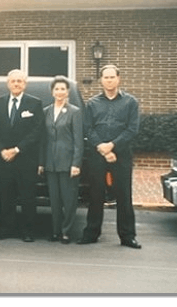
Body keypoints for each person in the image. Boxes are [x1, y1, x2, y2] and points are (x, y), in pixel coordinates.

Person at [79, 65, 141, 249]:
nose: (109, 80)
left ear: (118, 79)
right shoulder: (92, 103)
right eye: (106, 77)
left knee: (124, 195)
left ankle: (127, 236)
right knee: (96, 194)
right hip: (97, 154)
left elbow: (132, 129)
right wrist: (102, 148)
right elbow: (88, 129)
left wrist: (112, 146)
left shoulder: (130, 102)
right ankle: (91, 233)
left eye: (112, 77)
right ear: (101, 80)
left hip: (121, 154)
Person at [0, 69, 44, 242]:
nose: (16, 84)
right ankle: (5, 229)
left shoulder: (35, 104)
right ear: (8, 83)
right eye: (13, 81)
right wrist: (2, 150)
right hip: (4, 159)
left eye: (20, 81)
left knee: (28, 197)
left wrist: (17, 149)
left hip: (26, 158)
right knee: (5, 196)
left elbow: (37, 131)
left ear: (25, 84)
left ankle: (28, 231)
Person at [39, 76, 83, 244]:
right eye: (56, 89)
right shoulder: (46, 111)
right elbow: (43, 139)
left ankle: (66, 232)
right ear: (52, 92)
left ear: (67, 92)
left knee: (69, 200)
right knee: (54, 200)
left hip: (68, 163)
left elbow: (79, 140)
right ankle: (56, 231)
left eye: (63, 89)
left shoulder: (75, 112)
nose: (59, 92)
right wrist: (42, 162)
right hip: (51, 163)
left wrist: (76, 164)